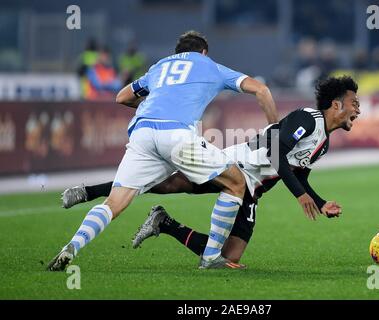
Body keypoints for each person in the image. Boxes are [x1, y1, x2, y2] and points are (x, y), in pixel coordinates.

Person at [61, 75, 360, 265]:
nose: (358, 110)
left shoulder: (324, 143)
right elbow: (274, 150)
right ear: (335, 104)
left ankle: (164, 223)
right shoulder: (308, 119)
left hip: (252, 189)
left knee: (231, 256)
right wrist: (299, 197)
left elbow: (299, 174)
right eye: (354, 103)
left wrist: (319, 202)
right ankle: (91, 191)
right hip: (238, 167)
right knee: (169, 183)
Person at [47, 30, 279, 271]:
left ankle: (72, 245)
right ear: (203, 52)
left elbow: (121, 97)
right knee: (236, 183)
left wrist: (151, 103)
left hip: (142, 133)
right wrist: (276, 129)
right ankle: (211, 257)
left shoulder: (159, 67)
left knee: (114, 203)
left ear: (177, 53)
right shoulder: (210, 66)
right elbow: (261, 90)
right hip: (177, 134)